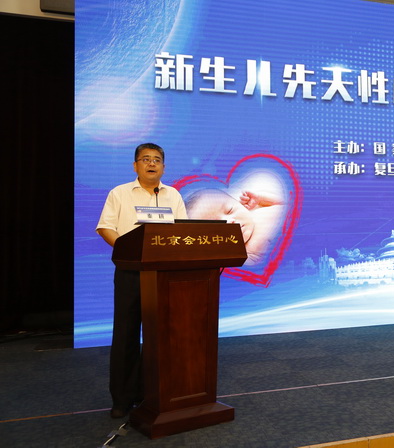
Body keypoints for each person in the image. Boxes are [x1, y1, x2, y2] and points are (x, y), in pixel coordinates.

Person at [96, 143, 187, 418]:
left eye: (157, 160)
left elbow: (183, 231)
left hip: (163, 274)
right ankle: (123, 398)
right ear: (135, 165)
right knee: (126, 333)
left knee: (160, 335)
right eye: (145, 159)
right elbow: (105, 227)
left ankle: (153, 392)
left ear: (163, 167)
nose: (151, 163)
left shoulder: (173, 195)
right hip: (130, 272)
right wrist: (129, 251)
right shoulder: (120, 193)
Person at [185, 188, 285, 266]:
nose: (229, 222)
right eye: (218, 227)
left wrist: (261, 199)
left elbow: (287, 204)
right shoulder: (244, 255)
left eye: (230, 210)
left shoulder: (257, 210)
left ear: (239, 204)